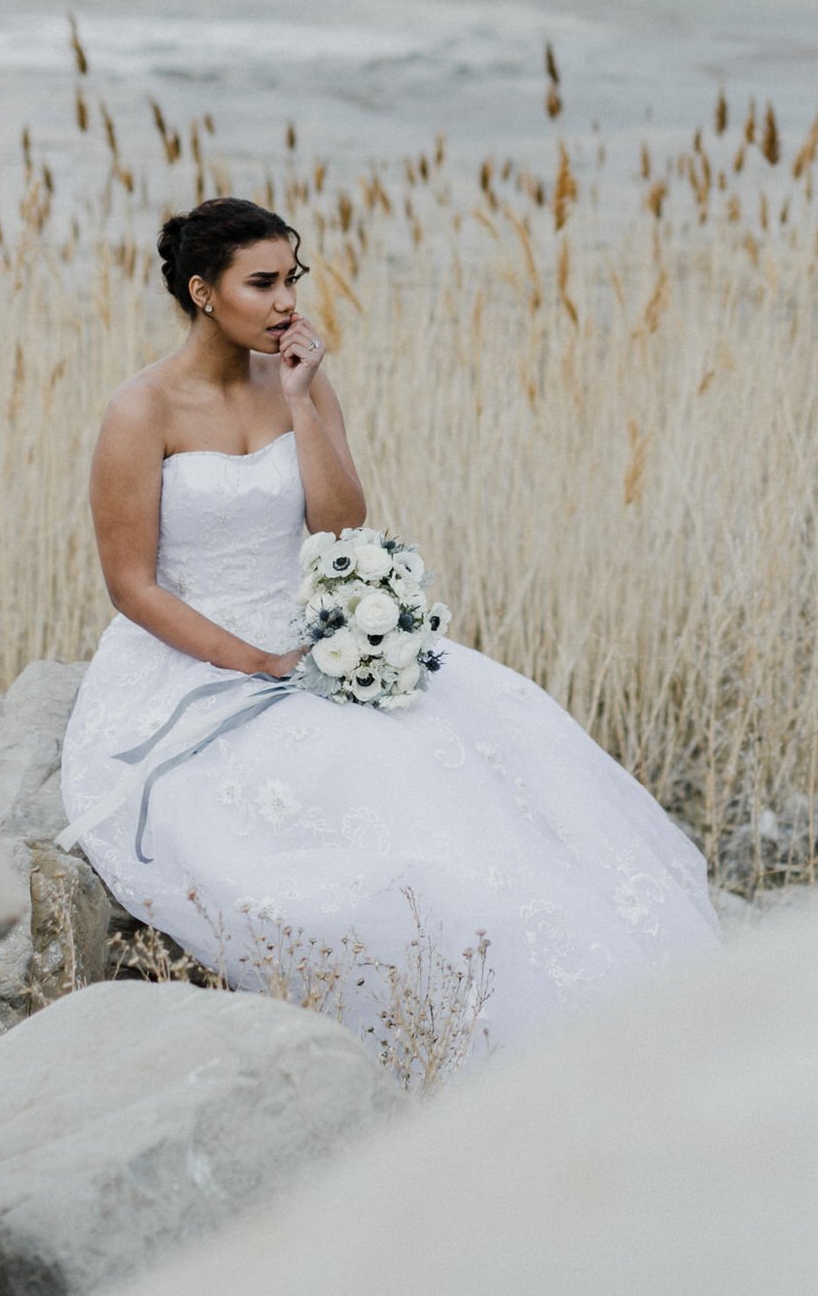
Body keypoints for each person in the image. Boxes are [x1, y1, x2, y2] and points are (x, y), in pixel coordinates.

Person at [57, 196, 719, 1070]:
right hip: (196, 652)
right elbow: (130, 585)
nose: (288, 300)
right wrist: (255, 662)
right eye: (262, 283)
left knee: (486, 760)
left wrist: (299, 400)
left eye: (293, 278)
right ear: (202, 292)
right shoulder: (141, 410)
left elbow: (339, 527)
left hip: (314, 631)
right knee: (357, 786)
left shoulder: (296, 374)